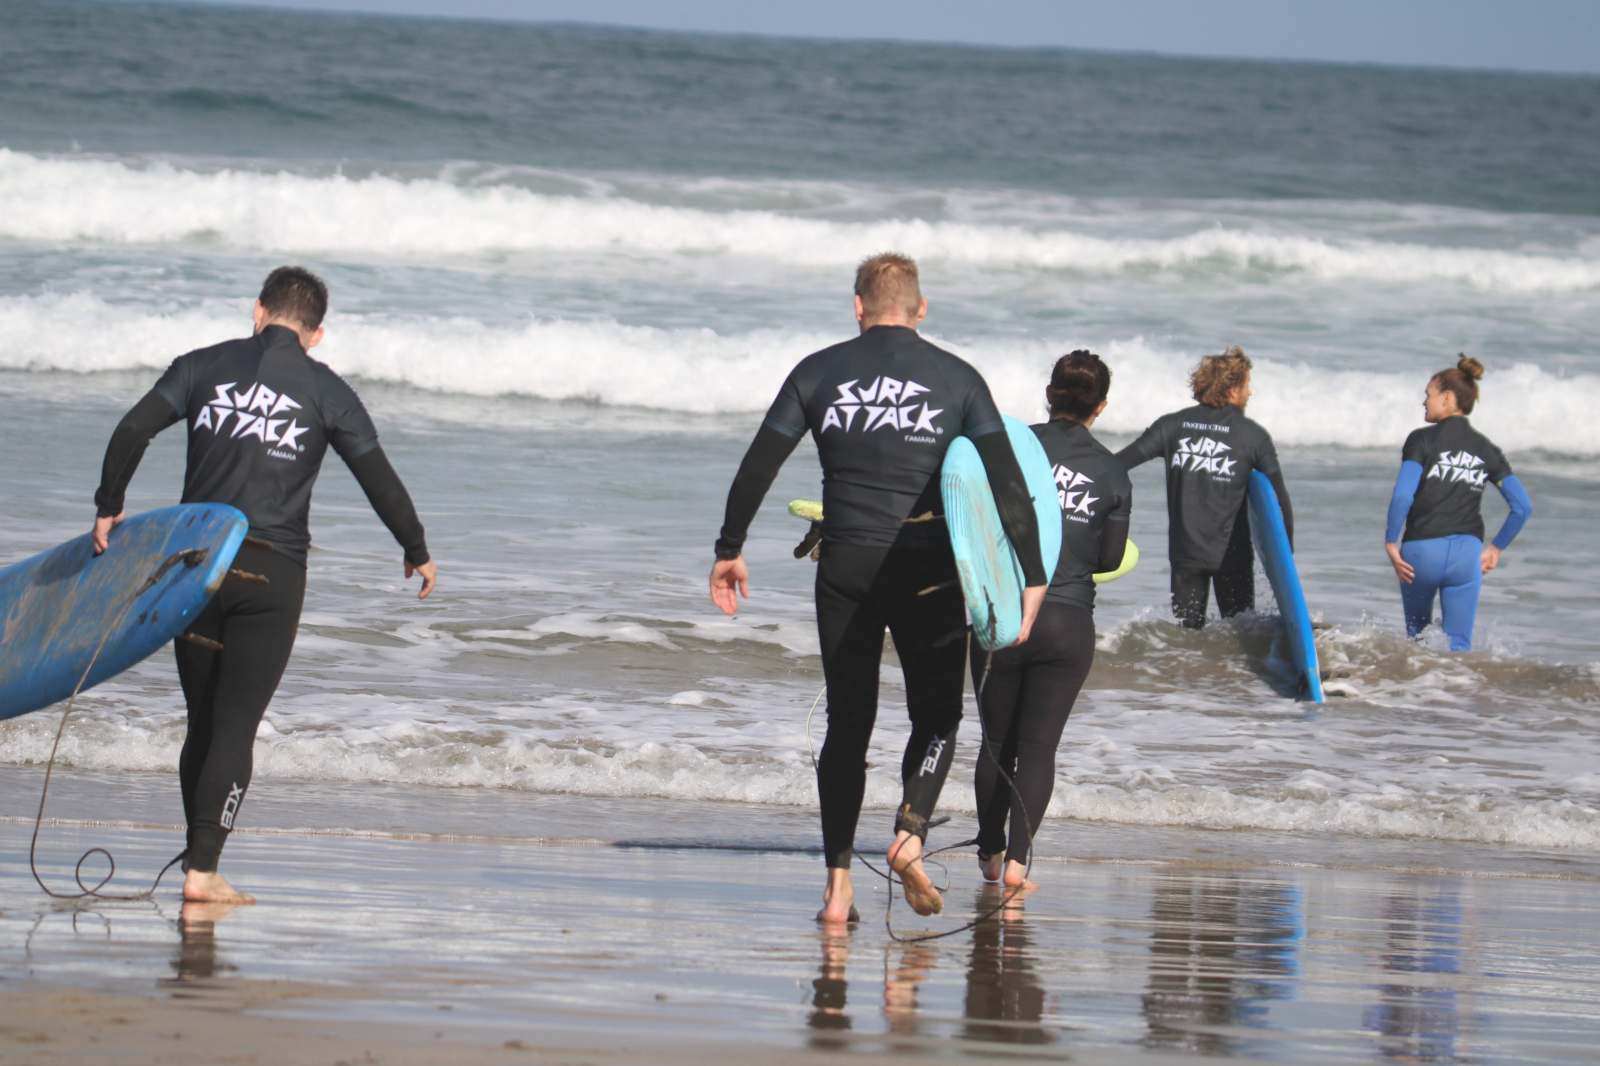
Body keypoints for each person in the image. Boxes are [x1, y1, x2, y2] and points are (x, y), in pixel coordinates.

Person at [708, 252, 1047, 925]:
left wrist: (729, 548)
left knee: (848, 723)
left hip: (847, 566)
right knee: (938, 717)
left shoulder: (817, 371)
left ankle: (837, 888)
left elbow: (759, 463)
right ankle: (910, 832)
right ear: (921, 310)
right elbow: (1008, 486)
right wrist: (1031, 576)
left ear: (858, 306)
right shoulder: (959, 378)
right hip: (929, 572)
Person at [91, 266, 436, 904]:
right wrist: (414, 547)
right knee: (236, 725)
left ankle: (199, 859)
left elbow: (132, 428)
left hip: (194, 566)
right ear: (317, 334)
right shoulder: (329, 392)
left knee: (202, 722)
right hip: (272, 573)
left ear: (258, 311)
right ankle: (203, 871)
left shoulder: (199, 366)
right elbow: (375, 475)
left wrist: (109, 506)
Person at [972, 350, 1129, 893]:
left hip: (1005, 613)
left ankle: (988, 856)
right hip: (1067, 623)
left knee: (996, 742)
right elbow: (1109, 559)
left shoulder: (1012, 446)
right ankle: (1017, 867)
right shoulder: (1112, 470)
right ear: (1101, 406)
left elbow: (973, 518)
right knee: (1038, 748)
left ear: (1049, 394)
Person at [1115, 346, 1291, 629]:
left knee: (1186, 640)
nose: (1250, 393)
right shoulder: (1252, 436)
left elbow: (1117, 465)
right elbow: (1279, 501)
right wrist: (1285, 564)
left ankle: (1188, 674)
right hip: (1232, 557)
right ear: (1232, 389)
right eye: (1247, 385)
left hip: (1185, 555)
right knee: (1240, 634)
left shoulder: (1171, 426)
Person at [1383, 355, 1531, 651]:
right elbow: (1522, 506)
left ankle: (1414, 695)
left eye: (1428, 395)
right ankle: (1457, 695)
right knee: (1460, 647)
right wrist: (1497, 548)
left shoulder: (1421, 439)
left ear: (1447, 398)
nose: (1424, 402)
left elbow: (1402, 495)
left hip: (1422, 552)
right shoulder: (1487, 449)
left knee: (1417, 642)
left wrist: (1390, 542)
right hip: (1467, 556)